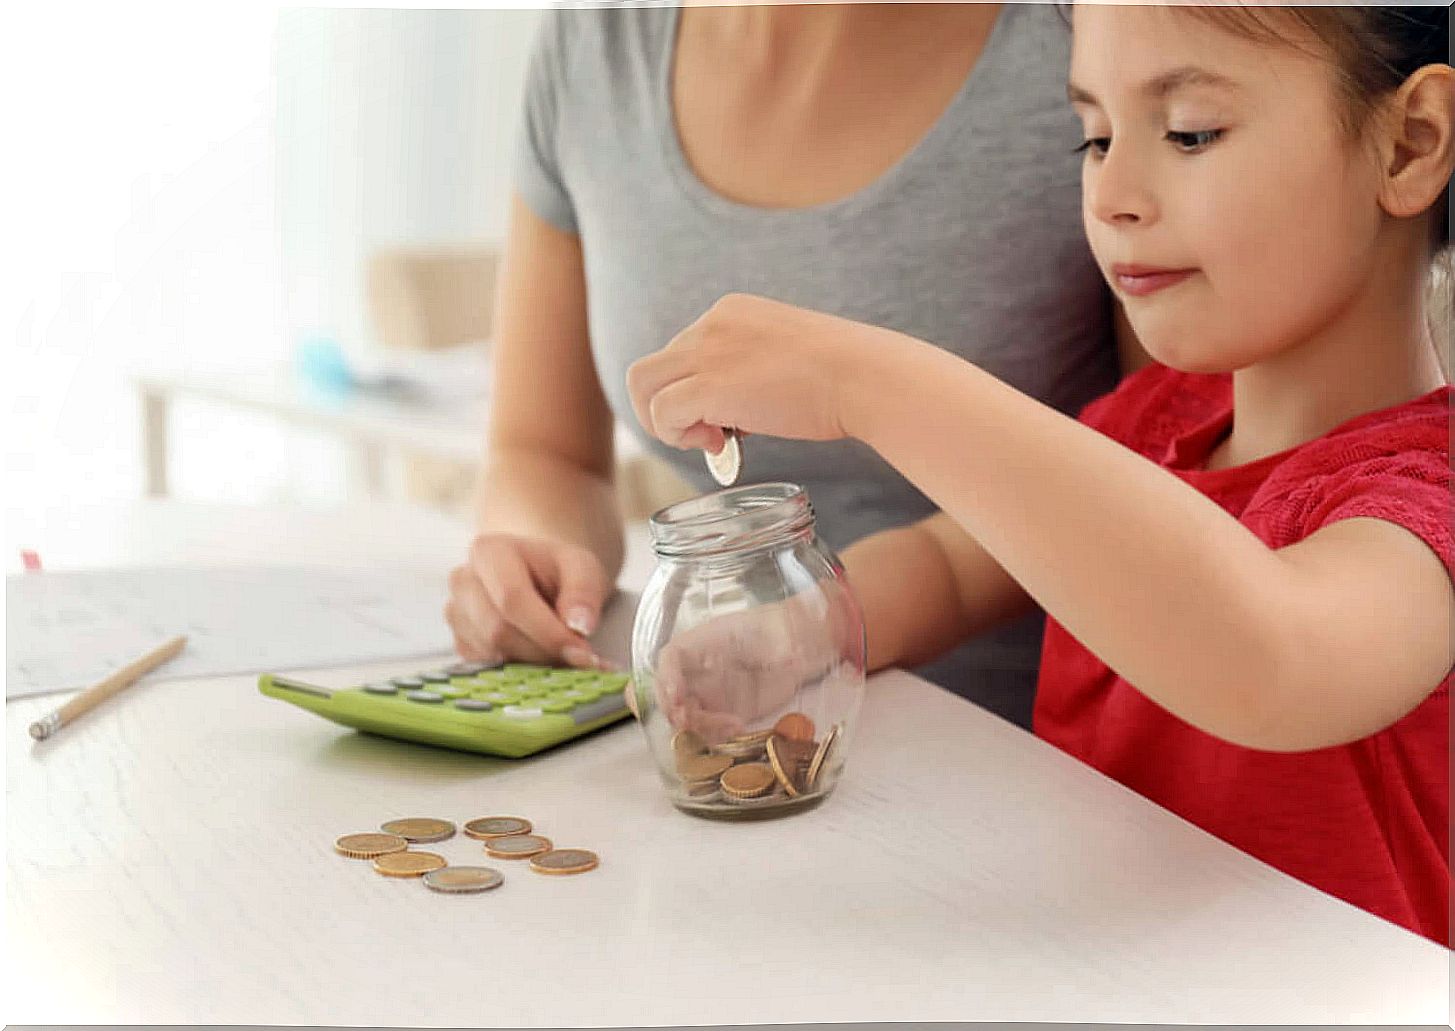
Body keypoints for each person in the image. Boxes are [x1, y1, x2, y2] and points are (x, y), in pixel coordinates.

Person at [626, 4, 1453, 945]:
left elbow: (1272, 659)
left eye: (1189, 133)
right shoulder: (1151, 424)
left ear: (1408, 147)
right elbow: (950, 564)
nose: (1113, 195)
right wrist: (786, 635)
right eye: (1095, 139)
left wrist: (869, 383)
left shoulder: (1426, 495)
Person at [443, 3, 1152, 729]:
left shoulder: (1089, 34)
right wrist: (538, 566)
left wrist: (815, 629)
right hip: (709, 723)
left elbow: (1163, 459)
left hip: (1032, 748)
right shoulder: (596, 40)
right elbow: (544, 452)